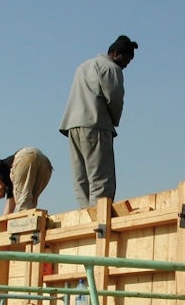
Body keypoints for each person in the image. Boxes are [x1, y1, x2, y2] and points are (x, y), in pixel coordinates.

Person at [59, 35, 138, 208]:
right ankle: (99, 219)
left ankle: (85, 216)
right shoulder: (111, 68)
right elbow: (115, 99)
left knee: (82, 180)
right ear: (115, 53)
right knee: (101, 180)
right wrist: (114, 121)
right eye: (126, 59)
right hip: (95, 124)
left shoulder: (83, 66)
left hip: (72, 126)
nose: (126, 65)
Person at [0, 147, 53, 214]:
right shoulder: (11, 187)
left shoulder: (0, 173)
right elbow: (7, 213)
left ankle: (26, 223)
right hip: (44, 162)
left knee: (23, 204)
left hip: (25, 156)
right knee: (31, 202)